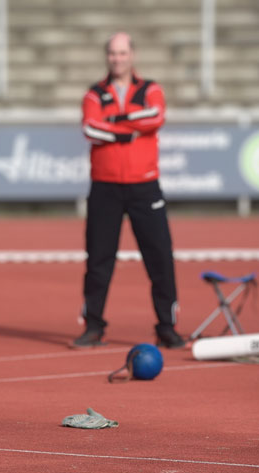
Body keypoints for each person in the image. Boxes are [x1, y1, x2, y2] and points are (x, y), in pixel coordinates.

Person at [73, 33, 185, 350]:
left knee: (160, 256)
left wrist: (116, 122)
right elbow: (91, 129)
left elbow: (156, 117)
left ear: (132, 55)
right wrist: (129, 131)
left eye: (122, 53)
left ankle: (166, 326)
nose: (117, 58)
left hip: (144, 185)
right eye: (112, 53)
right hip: (105, 186)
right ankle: (93, 325)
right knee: (98, 259)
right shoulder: (94, 94)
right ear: (106, 56)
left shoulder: (151, 89)